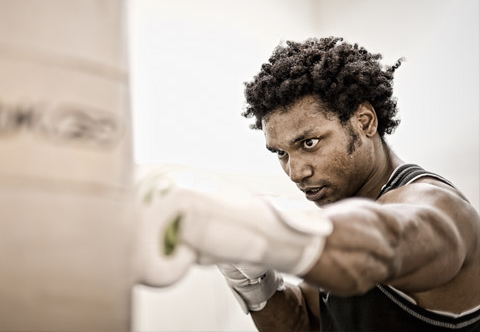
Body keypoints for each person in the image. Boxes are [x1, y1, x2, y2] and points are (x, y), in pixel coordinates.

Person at [138, 37, 479, 331]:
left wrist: (250, 225)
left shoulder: (436, 206)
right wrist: (254, 282)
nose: (296, 171)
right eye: (281, 153)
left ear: (365, 121)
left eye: (309, 143)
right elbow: (307, 323)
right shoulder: (340, 218)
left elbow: (385, 242)